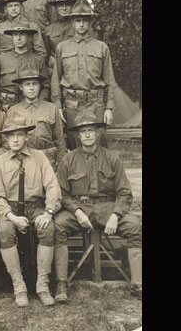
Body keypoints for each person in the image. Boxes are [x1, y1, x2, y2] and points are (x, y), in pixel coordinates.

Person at [53, 110, 142, 301]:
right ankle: (61, 283)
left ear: (98, 133)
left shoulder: (112, 158)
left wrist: (116, 215)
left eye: (91, 130)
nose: (87, 135)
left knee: (134, 226)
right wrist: (77, 211)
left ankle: (138, 283)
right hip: (79, 211)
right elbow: (62, 193)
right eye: (83, 131)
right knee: (58, 226)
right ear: (77, 135)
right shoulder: (68, 160)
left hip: (107, 209)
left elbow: (124, 192)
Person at [0, 115, 62, 307]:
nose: (15, 139)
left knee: (47, 229)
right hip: (10, 210)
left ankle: (42, 285)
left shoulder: (40, 158)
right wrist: (13, 217)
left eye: (19, 135)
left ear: (26, 137)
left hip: (36, 207)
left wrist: (48, 212)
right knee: (5, 231)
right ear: (6, 138)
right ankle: (19, 286)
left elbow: (53, 187)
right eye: (11, 135)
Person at [50, 0, 117, 149]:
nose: (81, 24)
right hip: (72, 105)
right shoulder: (62, 47)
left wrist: (109, 107)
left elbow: (109, 80)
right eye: (78, 20)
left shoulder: (101, 47)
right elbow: (56, 79)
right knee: (75, 145)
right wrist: (58, 106)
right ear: (72, 22)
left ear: (90, 22)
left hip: (96, 104)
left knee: (99, 145)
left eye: (85, 20)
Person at [6, 69, 66, 170]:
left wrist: (60, 167)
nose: (31, 88)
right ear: (21, 87)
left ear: (39, 87)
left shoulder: (51, 108)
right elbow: (7, 142)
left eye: (34, 84)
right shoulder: (13, 111)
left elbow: (60, 140)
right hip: (21, 162)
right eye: (27, 84)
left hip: (47, 161)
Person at [0, 21, 50, 112]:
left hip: (32, 108)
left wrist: (40, 105)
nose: (18, 38)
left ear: (28, 37)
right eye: (15, 34)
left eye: (22, 34)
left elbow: (45, 87)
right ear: (11, 37)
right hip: (6, 108)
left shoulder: (38, 60)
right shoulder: (1, 59)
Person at [0, 0, 47, 68]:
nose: (13, 8)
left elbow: (41, 53)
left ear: (21, 7)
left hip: (28, 68)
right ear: (5, 9)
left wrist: (33, 68)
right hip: (6, 68)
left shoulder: (32, 27)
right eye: (10, 6)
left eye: (16, 5)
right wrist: (1, 68)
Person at [44, 0, 78, 77]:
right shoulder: (49, 30)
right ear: (56, 8)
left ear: (72, 7)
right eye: (60, 5)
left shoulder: (79, 27)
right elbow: (46, 56)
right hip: (55, 71)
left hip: (75, 70)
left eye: (67, 5)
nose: (64, 8)